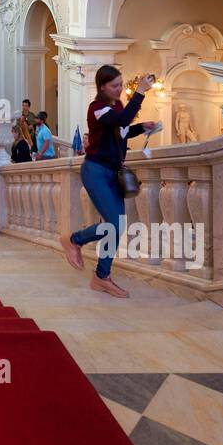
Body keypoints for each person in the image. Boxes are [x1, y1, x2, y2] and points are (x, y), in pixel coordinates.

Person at [60, 65, 158, 298]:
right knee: (113, 223)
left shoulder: (117, 107)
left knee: (116, 226)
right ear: (102, 86)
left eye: (121, 85)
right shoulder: (97, 108)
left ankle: (101, 277)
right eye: (115, 86)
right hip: (95, 170)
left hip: (112, 173)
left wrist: (140, 128)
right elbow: (120, 119)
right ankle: (73, 240)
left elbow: (121, 129)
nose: (119, 89)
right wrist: (141, 92)